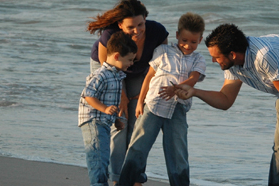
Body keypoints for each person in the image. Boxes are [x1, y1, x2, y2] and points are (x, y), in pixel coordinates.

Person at [174, 24, 279, 186]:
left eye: (216, 57)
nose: (213, 60)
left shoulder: (264, 56)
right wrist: (195, 91)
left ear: (232, 54)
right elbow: (225, 100)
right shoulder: (232, 65)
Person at [118, 12, 206, 186]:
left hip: (178, 109)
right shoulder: (163, 51)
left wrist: (176, 89)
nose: (188, 46)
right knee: (138, 146)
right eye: (184, 40)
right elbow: (149, 76)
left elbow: (194, 79)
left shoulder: (198, 59)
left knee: (178, 152)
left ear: (200, 40)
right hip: (153, 106)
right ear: (177, 35)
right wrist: (140, 101)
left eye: (193, 42)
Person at [87, 0, 169, 184]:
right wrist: (121, 95)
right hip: (108, 68)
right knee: (120, 122)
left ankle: (134, 177)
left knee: (138, 122)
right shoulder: (110, 35)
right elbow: (107, 69)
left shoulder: (157, 32)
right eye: (130, 27)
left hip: (141, 70)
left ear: (145, 19)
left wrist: (141, 98)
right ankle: (117, 179)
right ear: (120, 25)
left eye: (141, 25)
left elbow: (158, 67)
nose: (137, 31)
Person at [78, 31, 137, 186]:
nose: (131, 63)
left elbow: (110, 100)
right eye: (129, 60)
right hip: (93, 120)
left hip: (103, 122)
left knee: (103, 157)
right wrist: (104, 109)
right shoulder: (101, 75)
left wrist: (116, 119)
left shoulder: (117, 76)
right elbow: (88, 96)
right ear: (117, 56)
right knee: (98, 158)